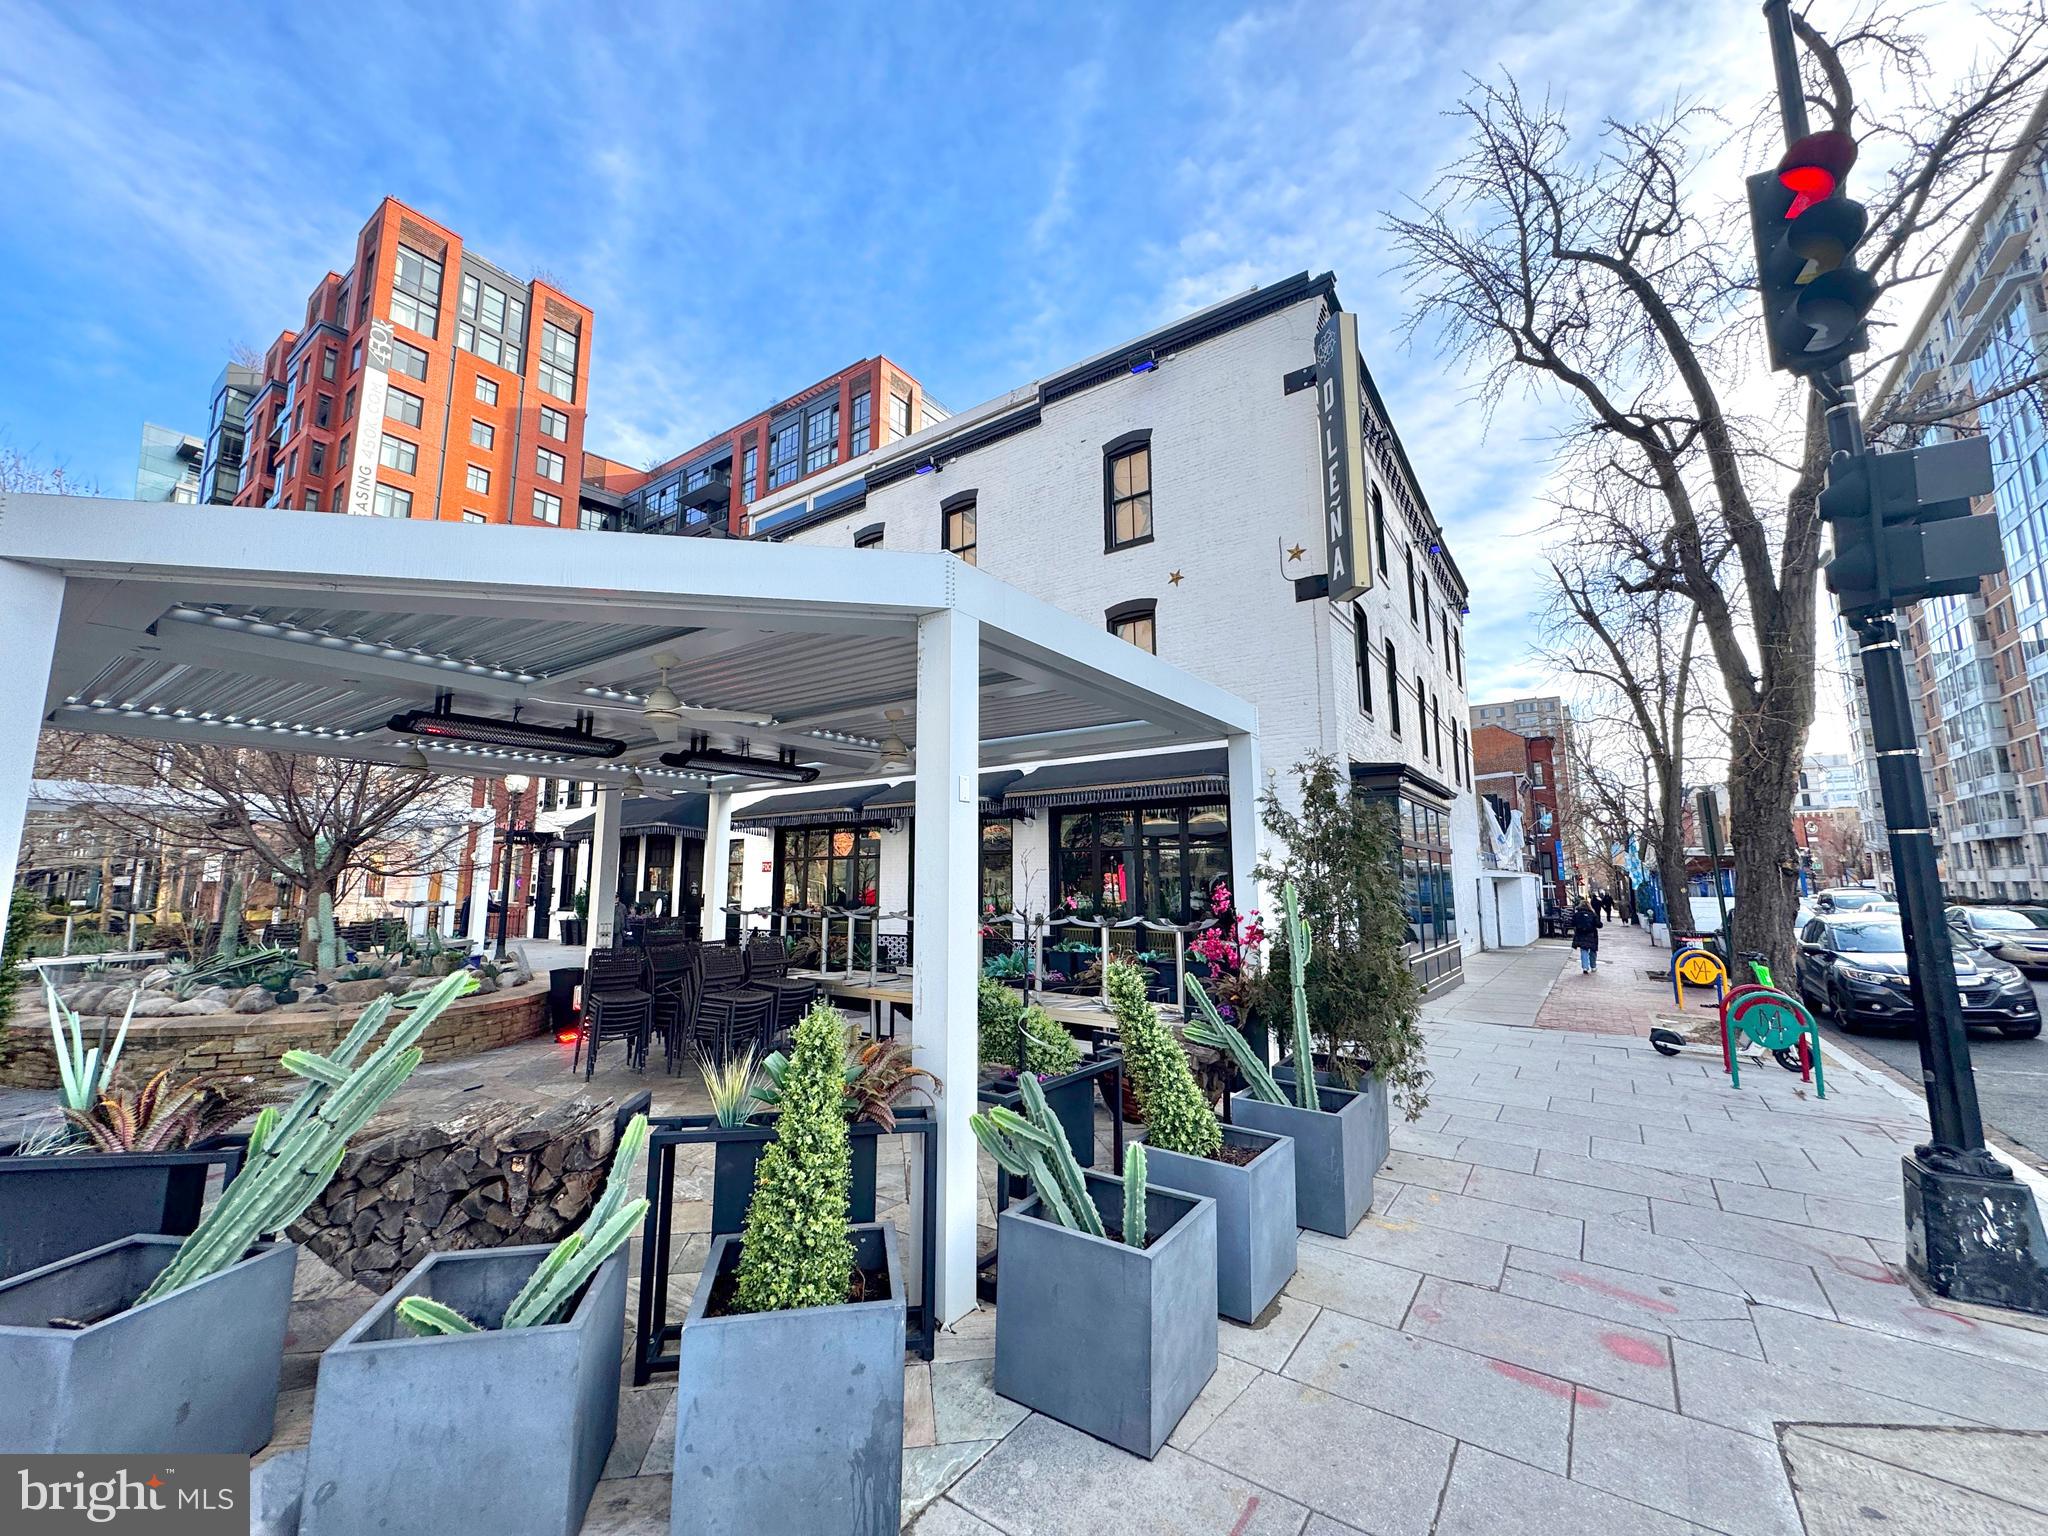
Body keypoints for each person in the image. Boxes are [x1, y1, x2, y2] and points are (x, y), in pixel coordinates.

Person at [1570, 899, 1602, 973]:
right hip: (1592, 935)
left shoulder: (1577, 914)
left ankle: (1585, 967)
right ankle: (1593, 966)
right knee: (1593, 950)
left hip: (1581, 934)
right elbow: (1599, 925)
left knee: (1584, 950)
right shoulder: (1592, 914)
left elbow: (1572, 923)